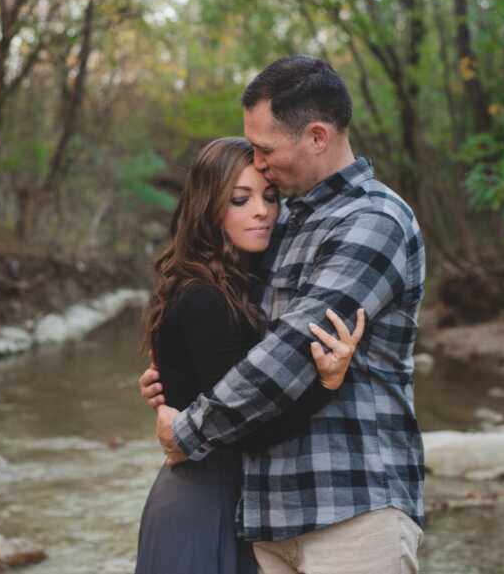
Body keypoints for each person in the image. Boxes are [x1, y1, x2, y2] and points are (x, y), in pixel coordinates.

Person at [139, 55, 426, 574]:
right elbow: (232, 334)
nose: (259, 163)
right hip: (267, 518)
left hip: (349, 509)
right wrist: (175, 376)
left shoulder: (373, 221)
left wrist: (188, 429)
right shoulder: (286, 219)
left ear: (317, 136)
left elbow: (292, 352)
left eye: (265, 149)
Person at [135, 136, 366, 574]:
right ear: (208, 206)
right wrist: (327, 384)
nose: (262, 211)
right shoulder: (205, 296)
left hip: (224, 500)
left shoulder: (229, 287)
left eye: (270, 197)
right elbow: (251, 427)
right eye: (240, 200)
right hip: (203, 506)